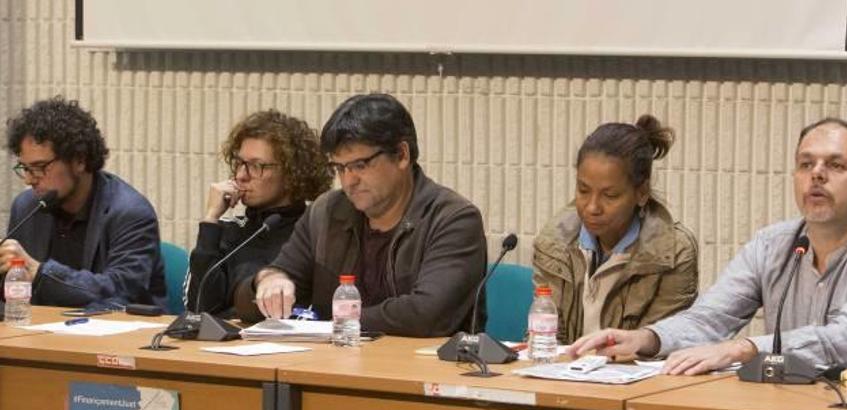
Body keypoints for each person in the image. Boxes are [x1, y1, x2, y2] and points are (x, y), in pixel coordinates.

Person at [571, 117, 847, 374]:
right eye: (805, 164)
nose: (817, 175)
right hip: (785, 408)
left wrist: (742, 349)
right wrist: (646, 338)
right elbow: (710, 317)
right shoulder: (771, 246)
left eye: (836, 165)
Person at [235, 93, 487, 337]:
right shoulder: (326, 213)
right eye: (340, 168)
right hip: (333, 368)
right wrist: (267, 281)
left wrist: (338, 322)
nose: (348, 181)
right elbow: (250, 302)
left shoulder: (453, 219)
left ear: (401, 155)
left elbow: (427, 314)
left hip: (420, 372)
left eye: (359, 166)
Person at [533, 115, 698, 344]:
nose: (592, 207)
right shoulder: (554, 242)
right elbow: (546, 337)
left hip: (636, 376)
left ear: (641, 193)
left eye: (610, 196)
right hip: (565, 373)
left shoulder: (674, 253)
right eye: (583, 190)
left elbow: (662, 343)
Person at [1, 96, 166, 309]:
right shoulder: (27, 206)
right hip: (39, 335)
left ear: (79, 160)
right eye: (25, 168)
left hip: (116, 337)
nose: (29, 179)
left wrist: (40, 272)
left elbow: (121, 291)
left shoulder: (130, 213)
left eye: (40, 167)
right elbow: (12, 291)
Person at [184, 110, 331, 317]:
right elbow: (198, 310)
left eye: (256, 166)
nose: (241, 176)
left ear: (292, 173)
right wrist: (210, 220)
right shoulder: (228, 230)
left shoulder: (313, 233)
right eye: (239, 164)